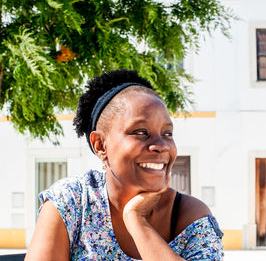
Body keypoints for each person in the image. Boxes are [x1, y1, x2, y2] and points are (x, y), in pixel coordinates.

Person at [25, 69, 224, 260]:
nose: (161, 146)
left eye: (167, 134)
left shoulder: (190, 215)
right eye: (140, 132)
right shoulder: (72, 202)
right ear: (100, 145)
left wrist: (136, 220)